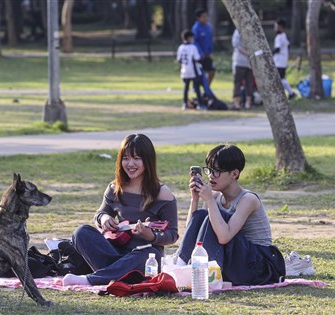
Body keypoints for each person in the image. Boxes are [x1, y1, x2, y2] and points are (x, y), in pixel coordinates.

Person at [63, 133, 178, 286]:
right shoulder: (114, 188)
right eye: (125, 158)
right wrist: (104, 219)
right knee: (81, 232)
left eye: (137, 158)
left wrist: (150, 235)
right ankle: (116, 274)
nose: (130, 164)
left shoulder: (162, 193)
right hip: (114, 252)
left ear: (148, 161)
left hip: (142, 256)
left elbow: (172, 234)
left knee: (150, 255)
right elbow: (100, 214)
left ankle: (92, 279)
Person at [176, 144, 285, 285]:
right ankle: (180, 266)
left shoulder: (248, 199)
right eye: (209, 170)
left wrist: (209, 200)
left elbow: (224, 237)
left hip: (258, 264)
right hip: (237, 260)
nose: (210, 176)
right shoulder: (214, 196)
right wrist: (195, 199)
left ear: (234, 174)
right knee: (202, 215)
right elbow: (194, 228)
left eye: (217, 171)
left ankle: (203, 274)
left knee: (213, 217)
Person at [176, 29, 203, 110]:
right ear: (189, 38)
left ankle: (185, 104)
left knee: (186, 88)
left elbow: (179, 59)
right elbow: (197, 58)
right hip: (193, 71)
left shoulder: (180, 47)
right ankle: (200, 104)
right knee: (197, 88)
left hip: (184, 71)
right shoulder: (193, 47)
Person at [273, 18, 297, 100]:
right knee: (281, 78)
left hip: (279, 61)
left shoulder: (279, 37)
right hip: (283, 60)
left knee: (280, 78)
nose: (275, 28)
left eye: (276, 26)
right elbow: (288, 46)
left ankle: (291, 93)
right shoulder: (284, 36)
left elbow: (277, 49)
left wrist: (270, 54)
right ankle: (289, 93)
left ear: (280, 27)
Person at [192, 8, 216, 86]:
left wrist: (210, 51)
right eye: (203, 16)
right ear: (198, 18)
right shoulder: (196, 28)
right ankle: (199, 91)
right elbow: (195, 42)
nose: (205, 18)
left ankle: (207, 89)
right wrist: (200, 53)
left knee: (212, 71)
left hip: (207, 55)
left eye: (206, 16)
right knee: (199, 75)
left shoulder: (208, 27)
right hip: (199, 56)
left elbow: (210, 39)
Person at [232, 29, 253, 110]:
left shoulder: (238, 31)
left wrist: (246, 53)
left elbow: (236, 45)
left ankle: (237, 102)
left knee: (238, 82)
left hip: (240, 61)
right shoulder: (250, 31)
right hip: (247, 61)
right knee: (248, 82)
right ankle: (247, 103)